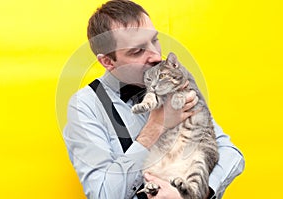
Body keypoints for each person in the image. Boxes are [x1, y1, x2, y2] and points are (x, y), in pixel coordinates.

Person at [63, 0, 245, 198]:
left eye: (155, 40)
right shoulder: (86, 106)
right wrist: (155, 127)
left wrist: (198, 193)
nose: (156, 56)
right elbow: (103, 193)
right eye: (137, 51)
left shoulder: (175, 81)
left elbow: (230, 153)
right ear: (107, 61)